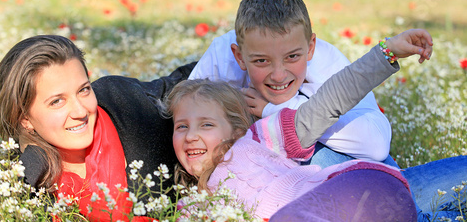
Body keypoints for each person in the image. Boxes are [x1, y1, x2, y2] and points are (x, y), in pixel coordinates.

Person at [165, 28, 433, 220]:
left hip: (358, 187)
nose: (191, 136)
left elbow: (330, 101)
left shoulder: (259, 140)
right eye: (182, 127)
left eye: (207, 125)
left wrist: (386, 53)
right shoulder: (193, 206)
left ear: (236, 129)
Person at [0, 35, 196, 221]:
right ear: (24, 118)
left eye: (84, 90)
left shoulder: (124, 103)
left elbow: (188, 79)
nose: (80, 111)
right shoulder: (28, 176)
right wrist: (31, 166)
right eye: (57, 101)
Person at [189, 0, 394, 167]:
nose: (278, 75)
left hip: (360, 167)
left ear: (310, 48)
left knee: (310, 154)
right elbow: (188, 120)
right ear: (239, 56)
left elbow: (376, 147)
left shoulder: (328, 64)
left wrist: (276, 110)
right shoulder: (222, 58)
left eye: (292, 57)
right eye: (262, 61)